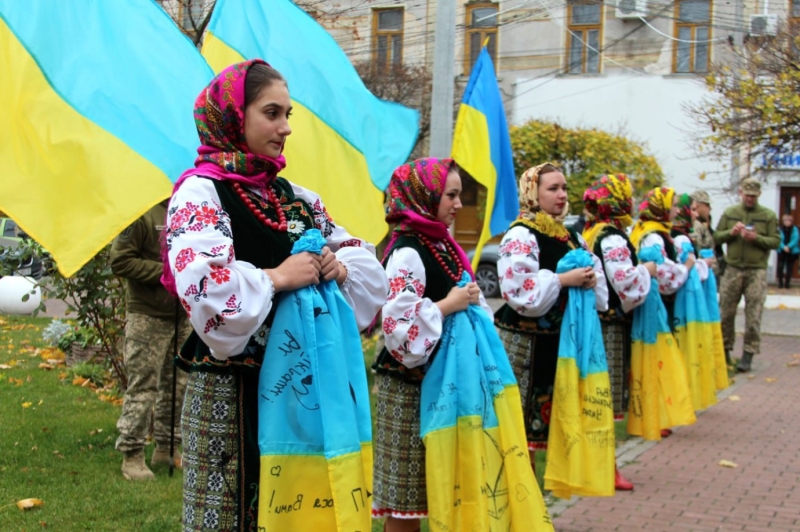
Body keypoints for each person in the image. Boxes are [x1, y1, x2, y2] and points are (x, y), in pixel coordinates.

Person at [163, 60, 387, 532]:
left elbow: (365, 267)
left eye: (288, 114)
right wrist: (278, 277)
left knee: (302, 513)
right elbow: (207, 294)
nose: (285, 128)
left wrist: (337, 267)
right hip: (235, 388)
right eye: (272, 113)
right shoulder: (200, 194)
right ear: (233, 117)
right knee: (231, 518)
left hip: (303, 390)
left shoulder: (296, 198)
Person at [371, 158, 491, 531]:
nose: (458, 204)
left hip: (439, 383)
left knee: (430, 492)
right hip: (409, 387)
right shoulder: (408, 251)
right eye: (450, 195)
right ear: (424, 197)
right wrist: (450, 304)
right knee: (405, 502)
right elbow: (397, 328)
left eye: (458, 195)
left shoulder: (441, 244)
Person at [494, 163, 608, 463]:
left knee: (552, 417)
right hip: (526, 342)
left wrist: (590, 279)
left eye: (564, 188)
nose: (561, 195)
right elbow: (517, 289)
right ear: (533, 192)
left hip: (559, 340)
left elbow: (597, 278)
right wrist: (562, 280)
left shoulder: (570, 235)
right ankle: (523, 491)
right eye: (552, 188)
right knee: (521, 420)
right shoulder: (520, 234)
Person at [582, 174, 656, 490]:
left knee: (600, 391)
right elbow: (623, 280)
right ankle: (605, 467)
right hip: (609, 323)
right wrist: (647, 271)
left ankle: (599, 464)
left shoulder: (593, 230)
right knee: (606, 394)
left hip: (597, 319)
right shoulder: (611, 237)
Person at [110, 201, 192, 481]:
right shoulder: (140, 211)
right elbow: (120, 260)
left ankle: (168, 447)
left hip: (183, 314)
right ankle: (132, 454)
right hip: (148, 315)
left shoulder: (189, 209)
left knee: (178, 384)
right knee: (143, 385)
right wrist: (165, 273)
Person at [629, 187, 694, 436]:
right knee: (656, 358)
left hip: (658, 301)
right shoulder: (653, 235)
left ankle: (659, 413)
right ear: (662, 208)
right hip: (655, 303)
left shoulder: (655, 232)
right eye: (673, 205)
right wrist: (687, 266)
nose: (677, 210)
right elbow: (663, 273)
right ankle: (654, 415)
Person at [714, 178, 780, 373]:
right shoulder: (730, 213)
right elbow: (717, 236)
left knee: (753, 314)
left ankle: (748, 355)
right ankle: (725, 352)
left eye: (753, 196)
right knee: (726, 312)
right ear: (741, 193)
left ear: (758, 195)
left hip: (756, 270)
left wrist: (757, 238)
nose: (749, 199)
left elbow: (775, 241)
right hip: (733, 268)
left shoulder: (767, 215)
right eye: (746, 195)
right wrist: (731, 233)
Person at [777, 213, 799, 289]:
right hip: (781, 250)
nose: (787, 222)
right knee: (780, 266)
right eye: (785, 220)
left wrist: (788, 246)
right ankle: (780, 283)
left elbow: (796, 239)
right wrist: (783, 247)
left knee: (789, 267)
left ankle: (787, 284)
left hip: (791, 251)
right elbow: (777, 239)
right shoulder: (779, 229)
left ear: (791, 221)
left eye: (789, 220)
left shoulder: (795, 229)